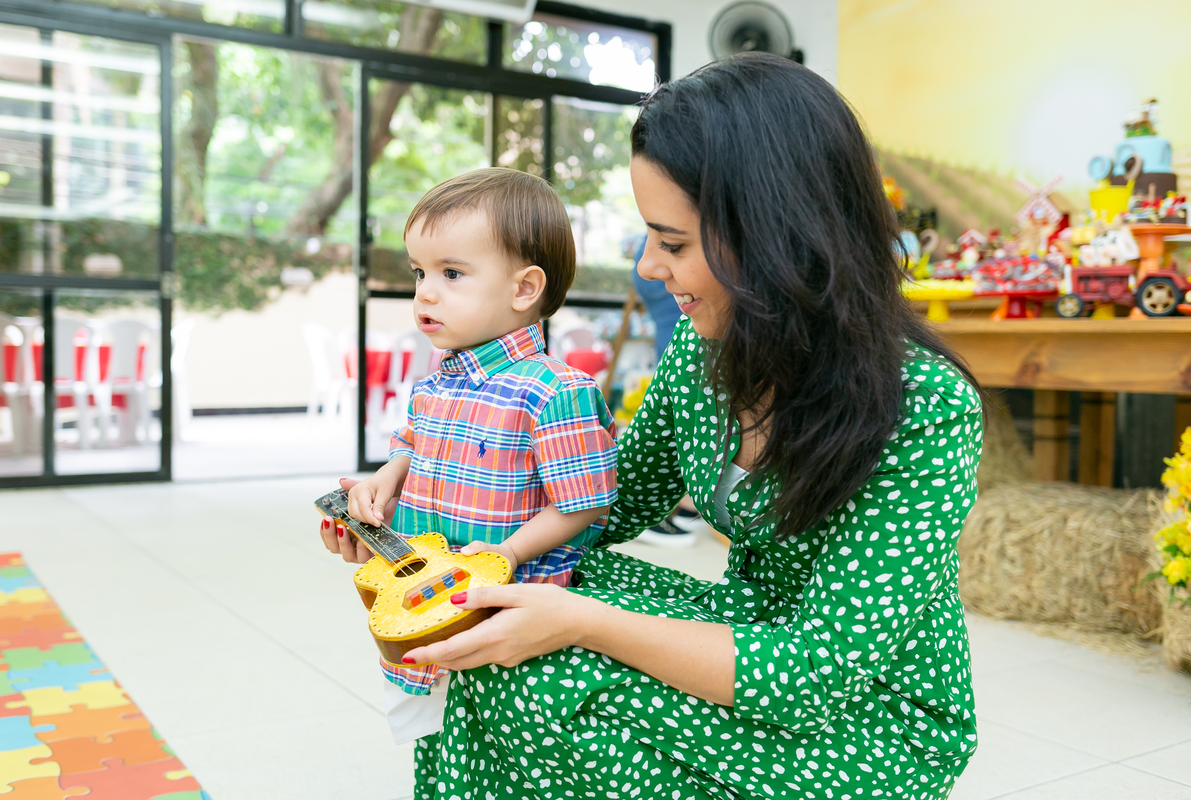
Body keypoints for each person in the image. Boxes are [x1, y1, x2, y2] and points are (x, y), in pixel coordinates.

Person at [326, 53, 981, 799]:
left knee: (538, 670)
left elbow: (813, 673)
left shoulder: (925, 406)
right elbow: (603, 505)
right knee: (492, 622)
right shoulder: (704, 359)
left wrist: (577, 621)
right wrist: (423, 544)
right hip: (744, 623)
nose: (646, 266)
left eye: (672, 243)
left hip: (862, 709)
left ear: (777, 235)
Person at [321, 168, 617, 745]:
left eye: (452, 273)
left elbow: (583, 505)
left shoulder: (556, 392)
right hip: (421, 606)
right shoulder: (435, 385)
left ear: (524, 289)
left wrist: (506, 552)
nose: (425, 292)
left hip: (505, 625)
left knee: (499, 752)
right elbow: (412, 448)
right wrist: (382, 483)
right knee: (432, 746)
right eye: (420, 273)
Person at [630, 236, 711, 548]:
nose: (645, 267)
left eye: (673, 243)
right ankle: (684, 503)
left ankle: (687, 502)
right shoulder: (689, 339)